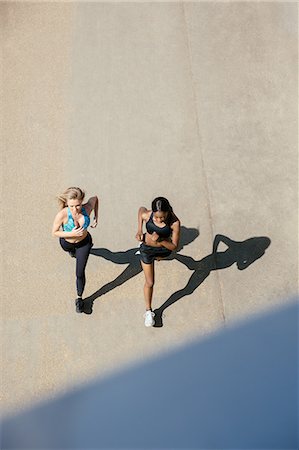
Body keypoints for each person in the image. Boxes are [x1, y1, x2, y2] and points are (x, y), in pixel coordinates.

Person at [52, 187, 98, 313]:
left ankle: (79, 298)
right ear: (67, 203)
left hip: (84, 243)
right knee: (72, 252)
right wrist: (70, 234)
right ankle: (72, 253)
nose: (75, 209)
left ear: (81, 201)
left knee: (79, 272)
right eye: (71, 206)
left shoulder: (87, 208)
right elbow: (54, 233)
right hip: (67, 243)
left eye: (77, 205)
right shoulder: (62, 215)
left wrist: (96, 217)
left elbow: (95, 199)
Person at [136, 197, 180, 327]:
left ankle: (158, 258)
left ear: (167, 212)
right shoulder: (148, 215)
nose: (159, 220)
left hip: (163, 250)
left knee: (163, 258)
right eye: (156, 217)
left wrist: (160, 240)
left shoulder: (174, 223)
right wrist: (139, 230)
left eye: (162, 217)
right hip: (147, 250)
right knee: (150, 282)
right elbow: (140, 211)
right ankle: (148, 311)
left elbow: (174, 247)